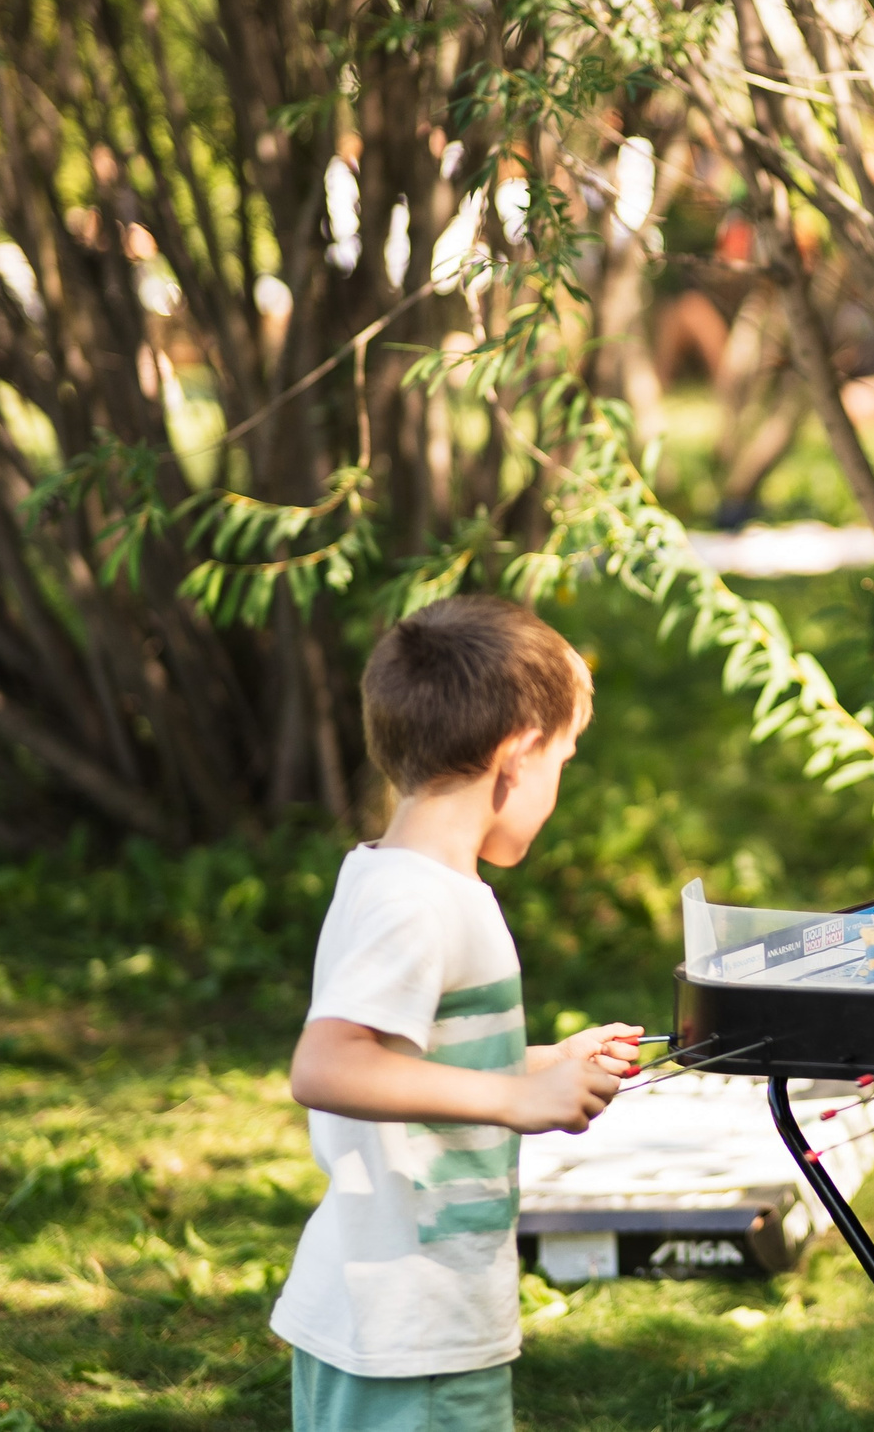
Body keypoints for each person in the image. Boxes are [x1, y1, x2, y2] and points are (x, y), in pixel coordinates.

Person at [270, 594, 644, 1432]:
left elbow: (421, 1057)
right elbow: (326, 1064)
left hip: (385, 1313)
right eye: (564, 761)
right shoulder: (418, 900)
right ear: (517, 756)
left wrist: (544, 1060)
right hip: (415, 1328)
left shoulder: (394, 876)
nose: (557, 786)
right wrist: (516, 1101)